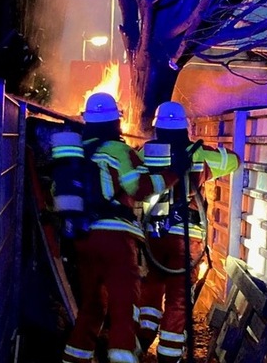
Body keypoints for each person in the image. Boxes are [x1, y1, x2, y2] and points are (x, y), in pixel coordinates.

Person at [62, 93, 182, 363]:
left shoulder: (76, 151)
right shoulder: (117, 150)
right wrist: (174, 173)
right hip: (117, 239)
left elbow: (58, 190)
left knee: (91, 308)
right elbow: (139, 189)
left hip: (82, 237)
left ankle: (73, 358)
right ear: (116, 121)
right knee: (124, 307)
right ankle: (122, 356)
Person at [137, 102, 240, 362]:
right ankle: (169, 357)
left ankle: (140, 342)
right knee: (178, 298)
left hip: (155, 235)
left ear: (158, 127)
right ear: (185, 127)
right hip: (188, 237)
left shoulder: (145, 152)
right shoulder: (199, 154)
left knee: (152, 288)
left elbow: (133, 180)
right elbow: (234, 161)